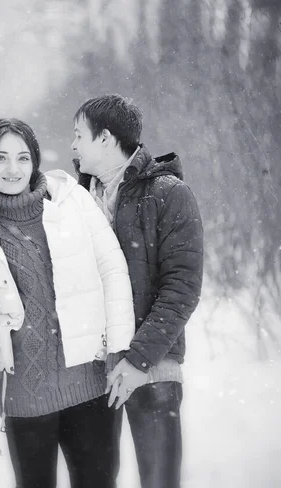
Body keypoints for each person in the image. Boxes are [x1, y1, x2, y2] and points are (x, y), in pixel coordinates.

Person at [0, 118, 135, 488]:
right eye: (1, 158)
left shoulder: (70, 199)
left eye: (23, 158)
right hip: (25, 399)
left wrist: (120, 350)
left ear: (35, 161)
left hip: (91, 386)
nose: (14, 169)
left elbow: (113, 270)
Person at [71, 95, 204, 488]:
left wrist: (138, 360)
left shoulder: (169, 193)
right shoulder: (76, 201)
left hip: (154, 367)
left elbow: (182, 287)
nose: (73, 145)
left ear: (106, 139)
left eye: (79, 135)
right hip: (92, 370)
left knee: (159, 480)